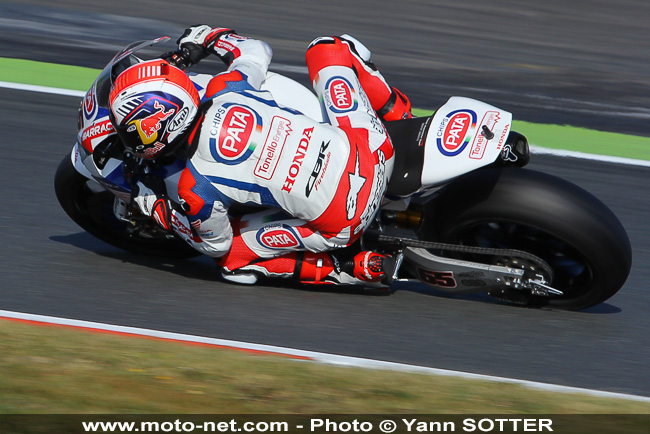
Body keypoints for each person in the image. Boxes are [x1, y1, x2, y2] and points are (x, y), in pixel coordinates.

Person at [108, 25, 412, 287]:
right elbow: (256, 50)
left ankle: (351, 268)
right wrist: (209, 39)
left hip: (347, 219)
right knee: (327, 48)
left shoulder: (194, 186)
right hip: (373, 149)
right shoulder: (227, 88)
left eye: (127, 131)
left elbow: (215, 244)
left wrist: (158, 208)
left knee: (231, 258)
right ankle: (400, 116)